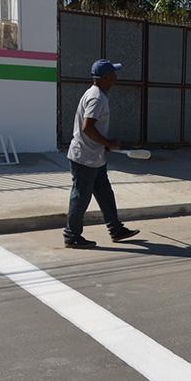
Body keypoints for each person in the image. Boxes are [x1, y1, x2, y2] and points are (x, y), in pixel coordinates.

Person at [63, 59, 140, 249]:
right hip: (84, 158)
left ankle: (116, 229)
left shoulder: (98, 94)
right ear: (105, 77)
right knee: (80, 197)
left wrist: (103, 146)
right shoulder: (96, 97)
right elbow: (87, 128)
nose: (116, 76)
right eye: (113, 73)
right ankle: (71, 236)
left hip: (95, 157)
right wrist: (108, 143)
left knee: (105, 194)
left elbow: (91, 129)